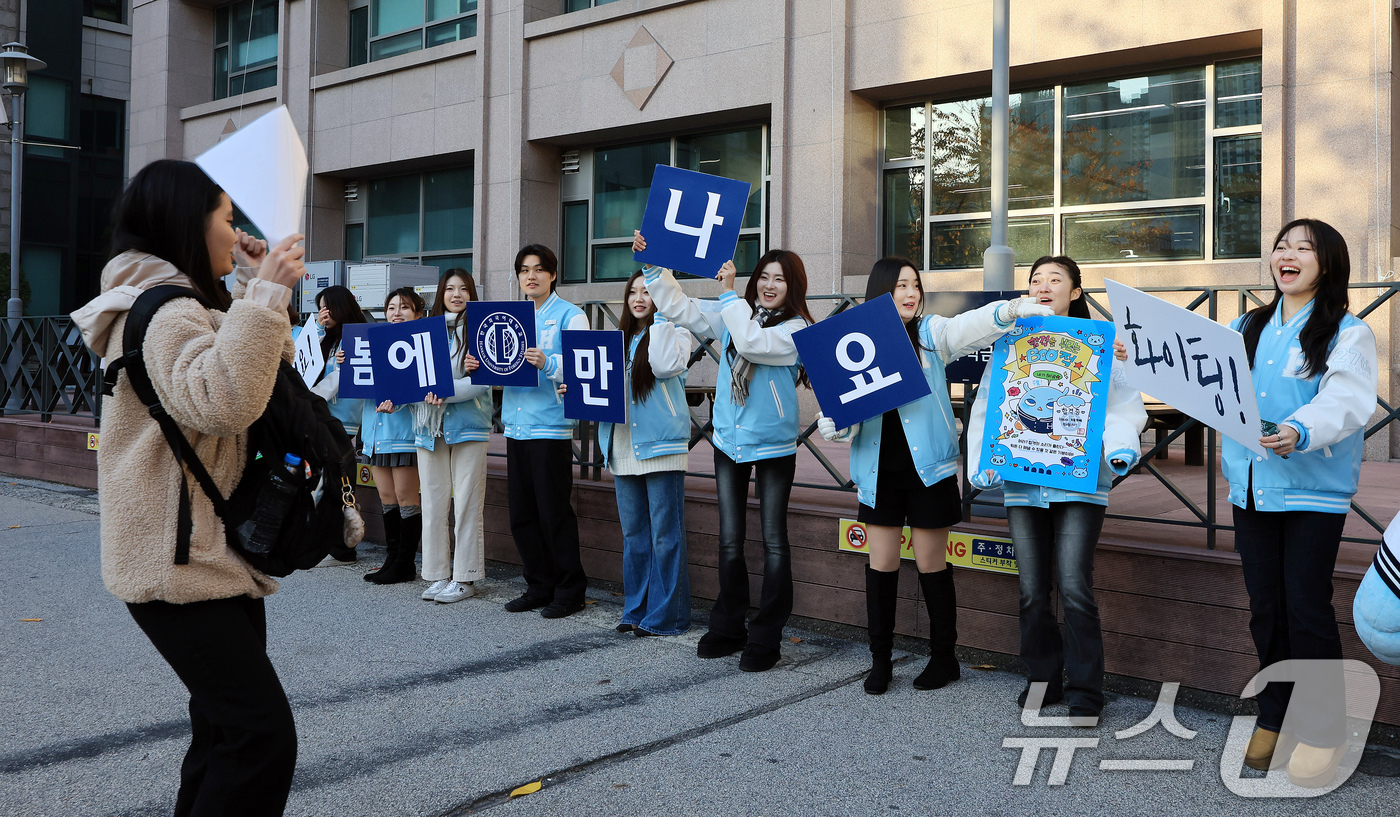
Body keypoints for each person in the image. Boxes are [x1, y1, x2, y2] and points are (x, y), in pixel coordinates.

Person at [70, 159, 304, 815]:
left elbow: (260, 389)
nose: (237, 235)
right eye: (228, 220)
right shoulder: (167, 311)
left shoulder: (185, 304)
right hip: (181, 562)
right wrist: (264, 297)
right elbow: (225, 402)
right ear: (186, 221)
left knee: (226, 733)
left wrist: (257, 289)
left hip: (205, 553)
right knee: (263, 738)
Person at [1160, 219, 1373, 786]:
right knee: (1265, 611)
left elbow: (1347, 402)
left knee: (1306, 610)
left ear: (1327, 264)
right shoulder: (1247, 325)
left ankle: (1324, 729)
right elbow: (1204, 379)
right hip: (1251, 488)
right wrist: (1149, 356)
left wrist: (1301, 430)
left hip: (1312, 493)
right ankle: (1276, 715)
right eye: (1282, 246)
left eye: (1304, 248)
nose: (1288, 255)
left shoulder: (1346, 332)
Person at [817, 257, 1053, 694]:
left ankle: (945, 659)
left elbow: (968, 327)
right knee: (881, 567)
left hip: (929, 472)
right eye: (901, 286)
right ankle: (880, 661)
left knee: (932, 566)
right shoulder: (855, 341)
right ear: (880, 292)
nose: (911, 294)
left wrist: (1012, 309)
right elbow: (848, 419)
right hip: (877, 473)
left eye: (915, 285)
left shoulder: (929, 335)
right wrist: (835, 424)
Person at [968, 256, 1145, 721]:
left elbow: (1125, 406)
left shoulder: (1104, 346)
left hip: (1081, 484)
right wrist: (982, 462)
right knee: (1030, 588)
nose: (1043, 286)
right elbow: (989, 403)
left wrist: (1122, 446)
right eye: (1035, 280)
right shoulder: (1011, 344)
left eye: (1055, 280)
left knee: (1073, 585)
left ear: (1076, 293)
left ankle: (1086, 690)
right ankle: (1042, 679)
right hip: (1024, 483)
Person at [633, 231, 811, 673]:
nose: (770, 285)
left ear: (794, 288)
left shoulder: (797, 329)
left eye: (780, 279)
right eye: (765, 277)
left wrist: (729, 296)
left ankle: (766, 637)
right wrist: (654, 267)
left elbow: (753, 344)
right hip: (729, 443)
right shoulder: (736, 312)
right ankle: (729, 627)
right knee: (729, 541)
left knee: (774, 543)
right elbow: (682, 308)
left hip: (773, 448)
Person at [598, 270, 694, 636]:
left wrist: (667, 314)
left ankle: (669, 615)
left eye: (649, 291)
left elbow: (663, 366)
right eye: (633, 292)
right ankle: (635, 609)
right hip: (622, 446)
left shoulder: (675, 332)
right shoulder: (618, 341)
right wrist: (574, 389)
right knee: (635, 535)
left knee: (665, 536)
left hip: (661, 447)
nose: (639, 298)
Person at [501, 245, 591, 619]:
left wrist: (549, 361)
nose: (531, 276)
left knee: (554, 513)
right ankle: (538, 586)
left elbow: (585, 369)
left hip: (550, 429)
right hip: (515, 426)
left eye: (539, 269)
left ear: (553, 274)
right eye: (524, 270)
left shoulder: (573, 316)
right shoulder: (507, 317)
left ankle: (570, 590)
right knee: (522, 514)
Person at [412, 269, 492, 604]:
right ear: (440, 294)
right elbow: (411, 377)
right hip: (429, 427)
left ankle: (465, 577)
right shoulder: (423, 334)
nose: (456, 294)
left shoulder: (483, 330)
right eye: (449, 289)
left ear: (472, 294)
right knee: (432, 503)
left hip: (469, 425)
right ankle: (436, 573)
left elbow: (484, 380)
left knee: (468, 503)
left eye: (463, 289)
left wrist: (443, 391)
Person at [360, 288, 426, 585]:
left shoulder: (419, 345)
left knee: (406, 498)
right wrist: (344, 362)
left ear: (418, 314)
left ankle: (405, 563)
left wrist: (398, 400)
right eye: (391, 308)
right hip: (374, 433)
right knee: (387, 497)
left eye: (405, 307)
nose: (397, 312)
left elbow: (422, 388)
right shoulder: (369, 344)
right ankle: (392, 558)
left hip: (403, 433)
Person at [308, 285, 368, 567]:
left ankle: (343, 549)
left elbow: (342, 380)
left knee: (340, 484)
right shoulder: (328, 338)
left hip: (343, 421)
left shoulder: (355, 338)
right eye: (320, 308)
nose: (324, 314)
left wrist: (309, 399)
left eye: (328, 307)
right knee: (327, 483)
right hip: (324, 419)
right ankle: (332, 545)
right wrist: (318, 332)